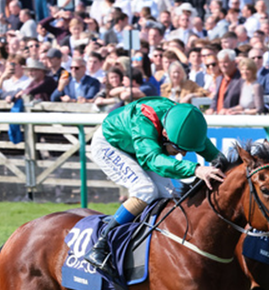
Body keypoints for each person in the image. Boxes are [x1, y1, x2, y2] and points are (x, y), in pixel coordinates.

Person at [85, 98, 225, 271]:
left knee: (169, 197)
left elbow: (213, 154)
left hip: (140, 146)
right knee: (145, 190)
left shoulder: (183, 122)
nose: (181, 153)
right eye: (178, 148)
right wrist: (196, 169)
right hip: (110, 144)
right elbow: (152, 159)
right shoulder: (144, 122)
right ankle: (100, 246)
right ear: (165, 134)